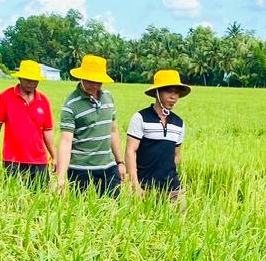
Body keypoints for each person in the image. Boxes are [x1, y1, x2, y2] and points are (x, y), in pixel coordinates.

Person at [55, 54, 124, 195]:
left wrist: (120, 162)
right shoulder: (71, 105)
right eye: (90, 81)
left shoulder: (108, 98)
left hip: (109, 167)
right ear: (81, 77)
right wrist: (61, 178)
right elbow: (66, 142)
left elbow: (113, 131)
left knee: (113, 211)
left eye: (98, 81)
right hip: (81, 170)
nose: (95, 85)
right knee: (83, 212)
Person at [126, 69, 189, 207]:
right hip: (145, 187)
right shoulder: (141, 118)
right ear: (157, 92)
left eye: (177, 92)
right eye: (169, 91)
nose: (173, 96)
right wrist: (135, 184)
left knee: (180, 225)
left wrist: (166, 171)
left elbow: (177, 155)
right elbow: (130, 151)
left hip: (172, 187)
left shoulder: (179, 123)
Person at [0, 59, 54, 188]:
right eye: (28, 80)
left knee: (40, 199)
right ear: (20, 78)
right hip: (12, 160)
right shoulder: (6, 97)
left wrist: (54, 156)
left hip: (39, 160)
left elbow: (47, 130)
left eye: (35, 80)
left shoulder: (43, 101)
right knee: (13, 197)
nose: (32, 83)